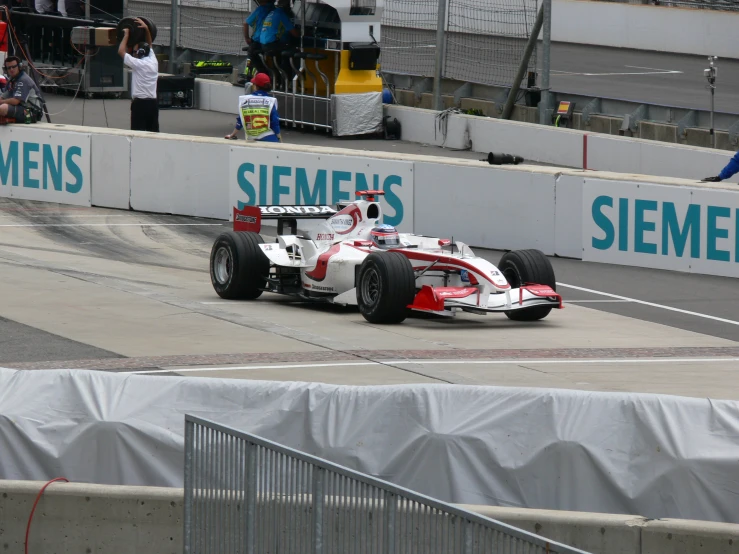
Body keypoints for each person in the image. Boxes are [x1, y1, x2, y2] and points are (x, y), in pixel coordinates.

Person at [118, 18, 159, 132]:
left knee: (137, 133)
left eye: (135, 51)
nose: (133, 54)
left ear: (140, 53)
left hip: (140, 104)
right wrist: (146, 29)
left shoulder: (138, 64)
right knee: (153, 132)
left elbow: (121, 52)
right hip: (153, 104)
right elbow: (149, 45)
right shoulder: (153, 61)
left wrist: (126, 35)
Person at [224, 72, 281, 142]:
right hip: (268, 138)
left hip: (252, 137)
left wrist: (232, 135)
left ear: (255, 86)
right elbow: (275, 123)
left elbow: (240, 121)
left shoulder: (245, 100)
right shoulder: (270, 101)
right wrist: (279, 138)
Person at [0, 56, 44, 124]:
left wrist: (2, 102)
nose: (11, 69)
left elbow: (15, 101)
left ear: (19, 67)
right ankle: (9, 119)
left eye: (14, 67)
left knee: (3, 108)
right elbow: (3, 96)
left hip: (31, 113)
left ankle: (11, 119)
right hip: (21, 109)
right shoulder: (11, 80)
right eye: (9, 68)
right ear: (6, 70)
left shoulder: (23, 80)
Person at [244, 0, 275, 73]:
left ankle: (262, 73)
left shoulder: (261, 9)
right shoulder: (274, 10)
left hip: (258, 40)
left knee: (251, 53)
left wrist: (247, 38)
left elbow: (245, 23)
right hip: (271, 41)